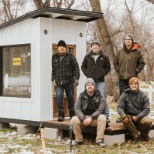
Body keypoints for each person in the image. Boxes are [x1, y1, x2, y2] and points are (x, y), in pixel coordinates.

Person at [113, 34, 145, 122]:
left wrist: (136, 71)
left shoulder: (137, 52)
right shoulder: (120, 52)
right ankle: (122, 116)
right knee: (123, 97)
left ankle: (133, 116)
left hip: (132, 79)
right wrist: (118, 70)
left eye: (129, 39)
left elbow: (142, 63)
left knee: (132, 97)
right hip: (122, 78)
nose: (128, 41)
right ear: (124, 41)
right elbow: (115, 62)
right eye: (126, 39)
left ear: (132, 41)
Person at [71, 78, 106, 147]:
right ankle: (79, 140)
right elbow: (76, 108)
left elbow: (101, 109)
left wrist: (91, 117)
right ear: (85, 87)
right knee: (74, 119)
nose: (90, 86)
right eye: (88, 85)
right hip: (84, 119)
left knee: (102, 117)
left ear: (94, 86)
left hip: (95, 119)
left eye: (92, 84)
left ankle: (99, 140)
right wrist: (83, 118)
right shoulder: (81, 96)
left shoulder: (99, 96)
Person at [81, 38, 110, 122]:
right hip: (90, 81)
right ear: (91, 47)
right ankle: (88, 115)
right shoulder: (87, 57)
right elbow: (83, 66)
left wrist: (103, 73)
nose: (95, 46)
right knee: (88, 97)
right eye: (93, 45)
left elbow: (108, 67)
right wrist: (87, 74)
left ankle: (106, 116)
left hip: (100, 81)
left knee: (103, 98)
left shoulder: (104, 57)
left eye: (96, 45)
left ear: (99, 46)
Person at [52, 40, 80, 121]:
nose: (62, 48)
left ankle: (72, 113)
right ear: (58, 48)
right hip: (59, 82)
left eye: (63, 47)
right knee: (59, 97)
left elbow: (76, 68)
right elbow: (53, 69)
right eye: (60, 46)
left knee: (70, 97)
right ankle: (61, 114)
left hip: (69, 81)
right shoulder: (54, 57)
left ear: (65, 48)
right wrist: (53, 79)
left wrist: (76, 78)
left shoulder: (70, 56)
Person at [117, 77, 152, 143]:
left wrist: (138, 117)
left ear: (138, 85)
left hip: (140, 116)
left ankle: (144, 135)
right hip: (129, 116)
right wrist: (123, 115)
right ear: (129, 85)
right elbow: (120, 107)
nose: (134, 85)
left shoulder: (143, 95)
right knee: (125, 120)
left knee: (149, 121)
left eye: (135, 84)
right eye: (132, 84)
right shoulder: (124, 94)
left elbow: (147, 109)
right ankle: (136, 136)